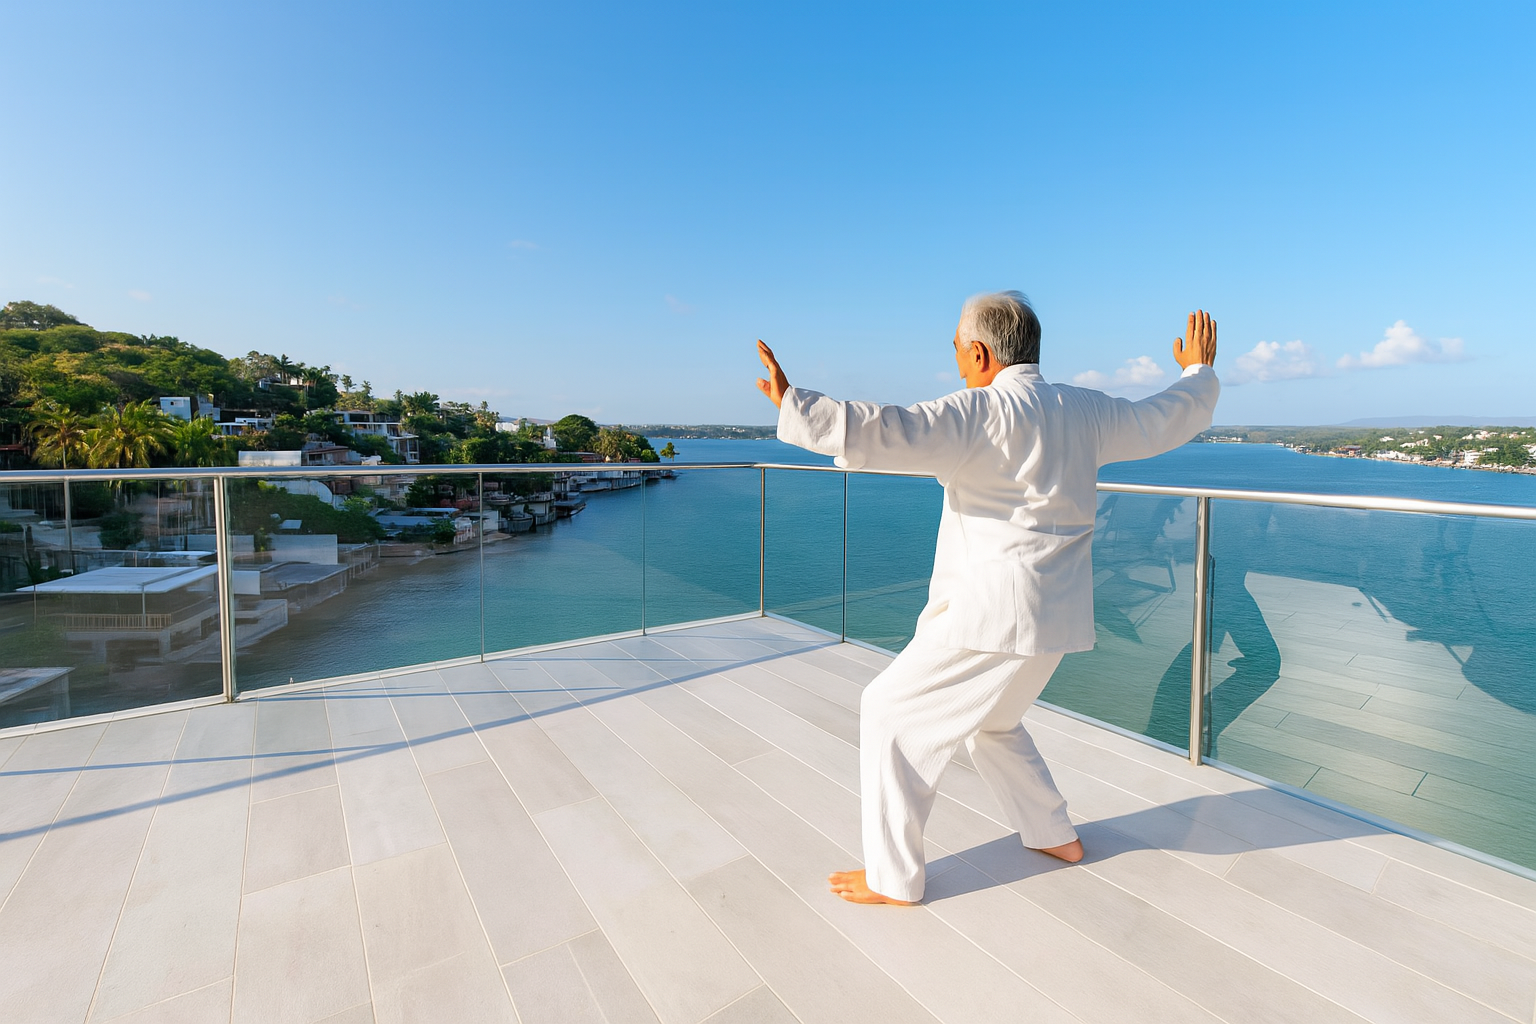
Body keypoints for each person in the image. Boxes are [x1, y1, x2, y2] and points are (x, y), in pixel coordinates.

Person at [754, 292, 1220, 905]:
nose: (954, 360)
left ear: (979, 352)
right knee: (994, 724)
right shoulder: (1084, 410)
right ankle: (1054, 834)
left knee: (887, 711)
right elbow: (1166, 416)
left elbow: (892, 428)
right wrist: (1199, 372)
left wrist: (796, 405)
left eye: (954, 348)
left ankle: (893, 879)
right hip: (1057, 614)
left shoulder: (980, 411)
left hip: (989, 615)